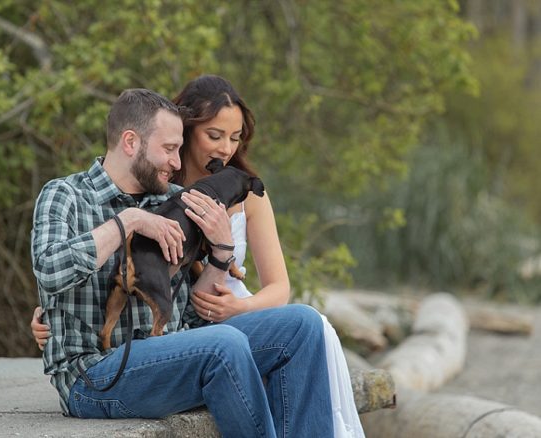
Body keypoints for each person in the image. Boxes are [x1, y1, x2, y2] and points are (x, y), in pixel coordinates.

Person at [33, 76, 365, 437]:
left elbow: (195, 314)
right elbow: (50, 271)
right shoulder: (66, 195)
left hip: (173, 355)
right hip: (95, 375)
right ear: (131, 142)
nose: (177, 162)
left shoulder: (174, 200)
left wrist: (221, 255)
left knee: (302, 324)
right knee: (224, 344)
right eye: (169, 149)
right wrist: (128, 222)